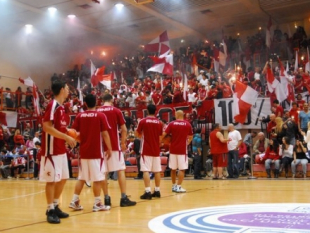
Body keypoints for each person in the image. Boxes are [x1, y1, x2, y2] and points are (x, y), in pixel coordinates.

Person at [40, 80, 77, 224]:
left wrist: (71, 135)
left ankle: (55, 205)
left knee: (63, 178)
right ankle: (49, 209)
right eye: (67, 88)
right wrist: (66, 136)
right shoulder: (52, 105)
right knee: (52, 180)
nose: (68, 91)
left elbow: (60, 129)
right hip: (51, 150)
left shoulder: (61, 108)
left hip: (61, 149)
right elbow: (46, 127)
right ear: (62, 89)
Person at [69, 94, 113, 212]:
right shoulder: (100, 115)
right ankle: (97, 203)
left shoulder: (80, 116)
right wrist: (109, 148)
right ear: (97, 102)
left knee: (82, 178)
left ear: (86, 104)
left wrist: (82, 139)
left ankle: (74, 200)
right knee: (98, 178)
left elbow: (73, 132)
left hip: (83, 152)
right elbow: (105, 134)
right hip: (96, 152)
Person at [97, 94, 136, 207]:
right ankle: (123, 198)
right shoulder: (116, 111)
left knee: (104, 172)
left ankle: (106, 199)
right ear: (112, 100)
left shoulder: (98, 111)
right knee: (120, 170)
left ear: (102, 100)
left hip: (101, 147)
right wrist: (123, 142)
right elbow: (123, 129)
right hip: (114, 145)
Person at [135, 104, 163, 200]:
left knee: (145, 170)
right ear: (155, 111)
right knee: (157, 171)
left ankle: (147, 191)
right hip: (156, 149)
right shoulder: (159, 123)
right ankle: (157, 190)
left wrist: (143, 138)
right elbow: (160, 138)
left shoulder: (143, 121)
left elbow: (137, 134)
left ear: (147, 110)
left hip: (146, 149)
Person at [162, 110, 193, 192]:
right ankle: (179, 187)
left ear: (177, 115)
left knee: (173, 169)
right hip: (182, 150)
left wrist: (163, 142)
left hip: (172, 149)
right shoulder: (187, 124)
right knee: (182, 169)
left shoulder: (171, 124)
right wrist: (187, 143)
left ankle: (173, 186)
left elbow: (164, 135)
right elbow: (190, 136)